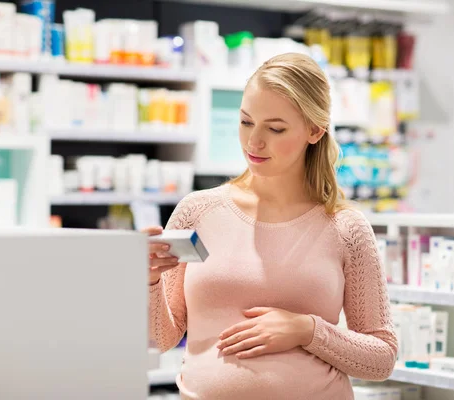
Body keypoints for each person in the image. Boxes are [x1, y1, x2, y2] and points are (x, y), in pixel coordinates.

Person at [146, 52, 397, 400]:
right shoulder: (197, 211)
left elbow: (382, 358)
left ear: (314, 130)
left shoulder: (346, 228)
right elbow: (161, 339)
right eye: (246, 122)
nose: (254, 142)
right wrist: (149, 281)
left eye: (275, 128)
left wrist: (307, 330)